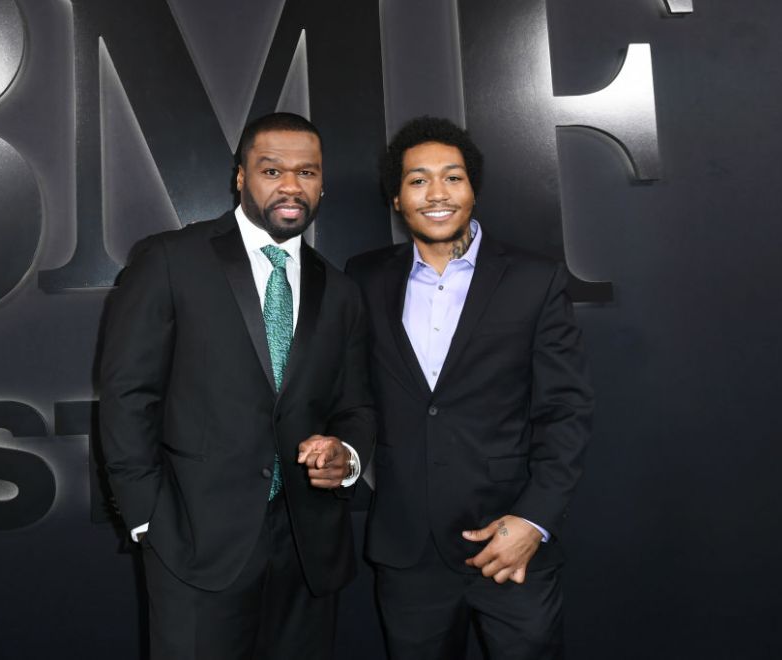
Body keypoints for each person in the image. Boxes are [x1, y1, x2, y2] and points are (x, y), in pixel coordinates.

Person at [99, 112, 375, 660]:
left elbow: (356, 405)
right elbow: (128, 394)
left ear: (322, 183)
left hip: (309, 553)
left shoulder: (340, 290)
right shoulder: (170, 260)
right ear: (241, 177)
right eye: (272, 170)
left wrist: (346, 456)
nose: (291, 185)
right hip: (194, 543)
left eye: (307, 172)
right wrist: (148, 519)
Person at [346, 116, 593, 659]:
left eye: (452, 177)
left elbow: (565, 412)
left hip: (510, 542)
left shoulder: (534, 279)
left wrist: (533, 520)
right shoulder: (363, 278)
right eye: (418, 180)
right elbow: (355, 395)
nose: (437, 193)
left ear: (473, 190)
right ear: (396, 198)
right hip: (409, 552)